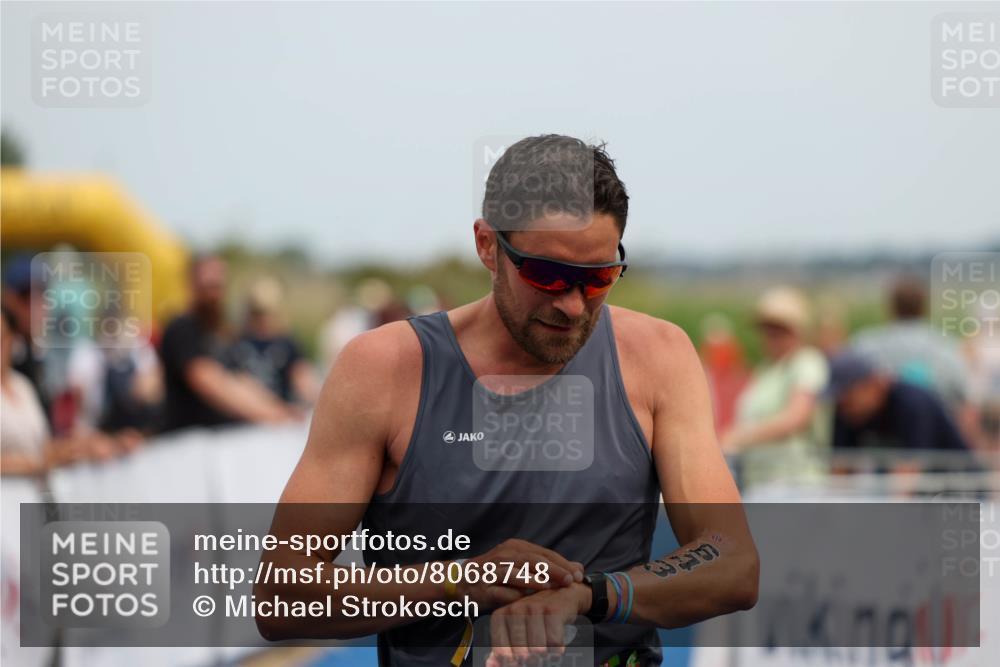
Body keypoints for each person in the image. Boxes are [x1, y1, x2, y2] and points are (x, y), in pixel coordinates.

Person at [256, 135, 758, 667]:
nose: (571, 305)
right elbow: (281, 597)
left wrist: (590, 595)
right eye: (547, 274)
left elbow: (733, 563)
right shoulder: (383, 369)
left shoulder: (659, 356)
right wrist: (467, 580)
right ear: (487, 245)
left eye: (598, 278)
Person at [157, 255, 296, 432]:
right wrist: (268, 414)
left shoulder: (224, 333)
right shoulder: (182, 328)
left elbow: (240, 380)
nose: (213, 294)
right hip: (188, 439)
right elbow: (209, 381)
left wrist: (278, 409)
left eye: (218, 286)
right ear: (192, 285)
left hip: (222, 437)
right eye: (208, 286)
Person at [722, 287, 831, 488]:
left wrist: (739, 436)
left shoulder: (807, 361)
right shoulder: (766, 370)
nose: (770, 336)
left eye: (778, 330)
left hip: (795, 483)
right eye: (767, 329)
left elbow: (797, 416)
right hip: (761, 483)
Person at [852, 274, 980, 445]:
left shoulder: (864, 345)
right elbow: (967, 407)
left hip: (882, 448)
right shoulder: (949, 348)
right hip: (937, 453)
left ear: (890, 307)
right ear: (924, 306)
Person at [829, 350, 969, 452]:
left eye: (847, 395)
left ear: (873, 384)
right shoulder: (848, 413)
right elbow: (840, 471)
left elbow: (909, 475)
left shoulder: (912, 404)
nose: (843, 403)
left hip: (956, 487)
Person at [230, 277, 320, 406]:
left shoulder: (287, 343)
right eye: (259, 312)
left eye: (267, 312)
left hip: (281, 418)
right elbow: (237, 381)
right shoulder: (237, 342)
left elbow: (303, 377)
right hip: (248, 414)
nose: (263, 318)